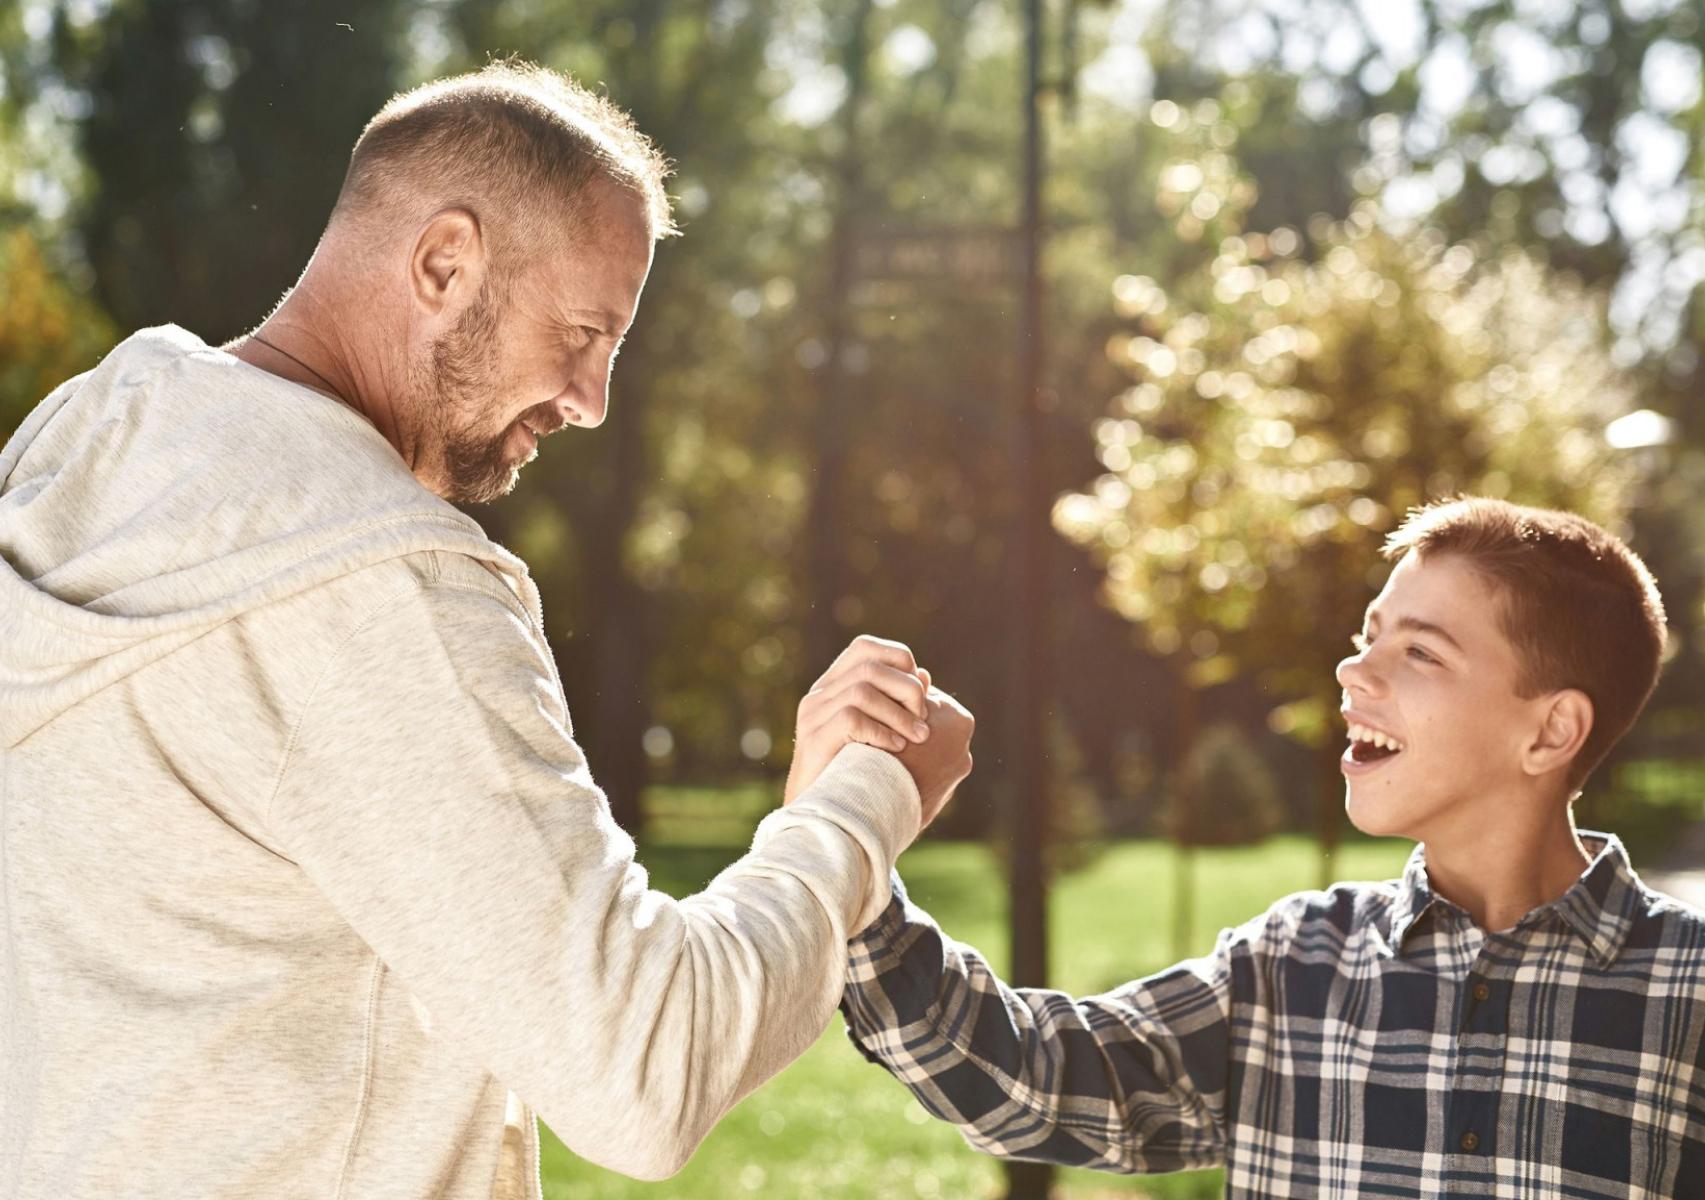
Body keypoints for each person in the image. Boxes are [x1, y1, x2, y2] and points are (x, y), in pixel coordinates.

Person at [0, 62, 974, 1199]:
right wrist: (861, 805)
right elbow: (639, 1070)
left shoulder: (83, 451)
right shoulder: (380, 580)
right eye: (583, 330)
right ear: (444, 262)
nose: (592, 397)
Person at [842, 496, 1705, 1198]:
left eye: (1420, 653)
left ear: (1551, 731)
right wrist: (847, 847)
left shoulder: (1687, 994)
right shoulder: (1292, 965)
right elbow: (1032, 1076)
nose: (1352, 670)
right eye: (1370, 636)